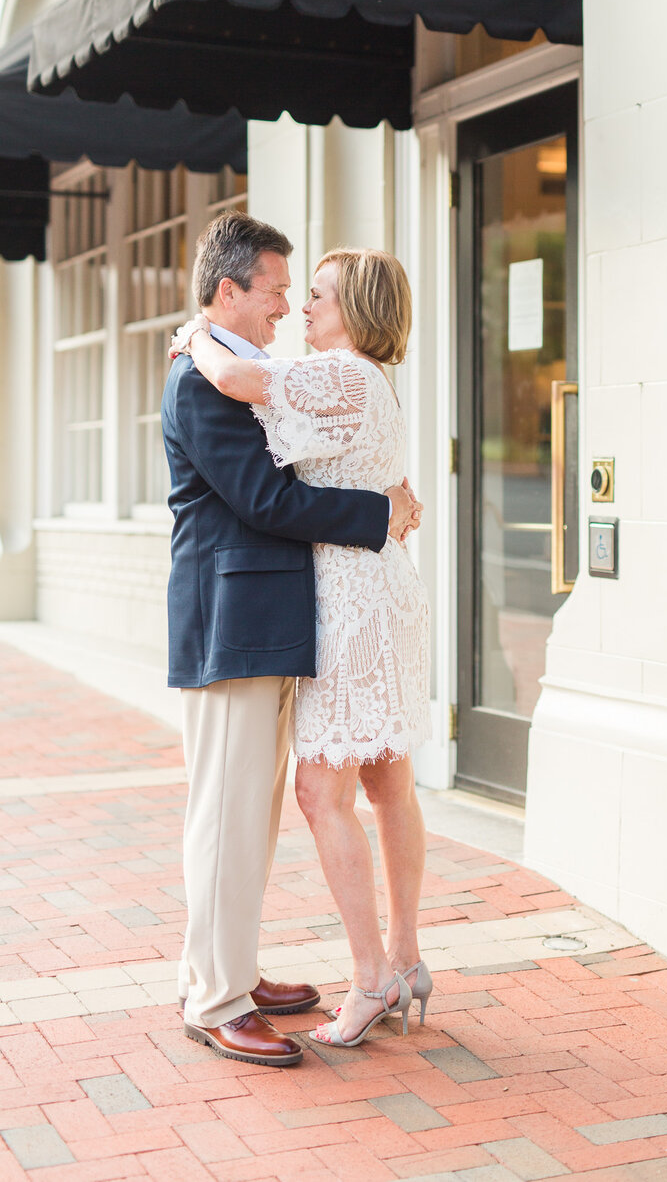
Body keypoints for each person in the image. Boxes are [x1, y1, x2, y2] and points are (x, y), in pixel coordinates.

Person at [161, 214, 419, 1068]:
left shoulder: (259, 368)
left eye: (299, 293)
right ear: (229, 291)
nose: (285, 305)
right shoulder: (201, 378)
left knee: (250, 814)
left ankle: (232, 966)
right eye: (277, 290)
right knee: (226, 814)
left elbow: (300, 425)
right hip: (233, 626)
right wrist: (380, 510)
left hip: (277, 625)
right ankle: (217, 998)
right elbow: (266, 503)